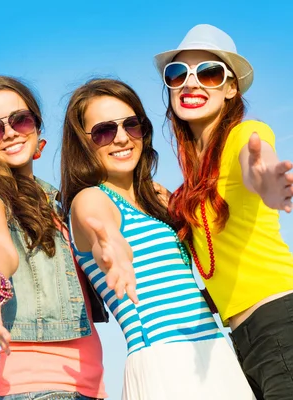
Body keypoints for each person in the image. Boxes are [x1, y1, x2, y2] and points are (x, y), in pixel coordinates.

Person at [60, 78, 254, 399]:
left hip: (213, 351)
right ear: (82, 142)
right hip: (165, 360)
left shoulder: (159, 199)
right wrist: (111, 243)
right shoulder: (90, 198)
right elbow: (98, 223)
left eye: (131, 125)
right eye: (104, 131)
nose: (122, 138)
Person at [0, 74, 121, 400]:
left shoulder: (59, 202)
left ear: (37, 127)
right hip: (38, 389)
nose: (9, 133)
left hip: (87, 388)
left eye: (20, 120)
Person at [154, 24, 293, 399]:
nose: (191, 83)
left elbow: (256, 160)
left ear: (231, 88)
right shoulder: (194, 179)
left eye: (209, 73)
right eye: (178, 74)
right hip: (243, 336)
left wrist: (266, 180)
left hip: (279, 318)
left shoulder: (242, 136)